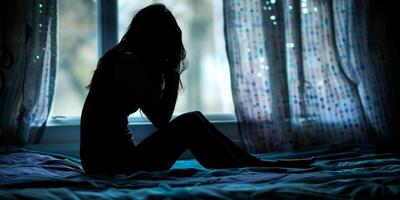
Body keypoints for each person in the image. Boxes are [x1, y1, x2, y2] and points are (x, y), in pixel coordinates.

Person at [80, 4, 311, 175]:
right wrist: (172, 74)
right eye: (164, 40)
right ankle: (253, 168)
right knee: (190, 123)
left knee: (194, 120)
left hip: (113, 161)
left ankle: (256, 165)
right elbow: (161, 120)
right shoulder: (128, 61)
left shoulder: (125, 58)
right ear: (151, 37)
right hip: (111, 166)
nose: (167, 48)